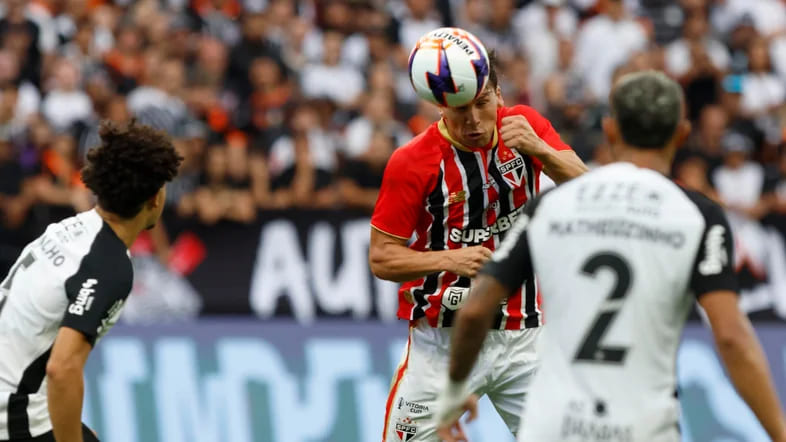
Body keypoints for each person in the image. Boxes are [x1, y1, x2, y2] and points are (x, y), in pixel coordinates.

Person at [435, 71, 786, 442]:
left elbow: (476, 309)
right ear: (681, 134)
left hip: (554, 426)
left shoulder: (552, 205)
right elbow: (731, 337)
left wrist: (455, 389)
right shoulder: (697, 214)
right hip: (643, 428)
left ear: (610, 130)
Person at [369, 46, 587, 440]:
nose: (472, 119)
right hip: (442, 342)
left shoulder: (526, 124)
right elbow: (382, 258)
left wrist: (540, 149)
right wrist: (448, 259)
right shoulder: (411, 161)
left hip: (524, 338)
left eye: (482, 102)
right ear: (441, 108)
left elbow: (589, 188)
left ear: (499, 95)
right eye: (459, 108)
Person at [0, 120, 182, 442]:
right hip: (12, 418)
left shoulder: (66, 230)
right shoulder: (110, 266)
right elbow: (62, 369)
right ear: (155, 198)